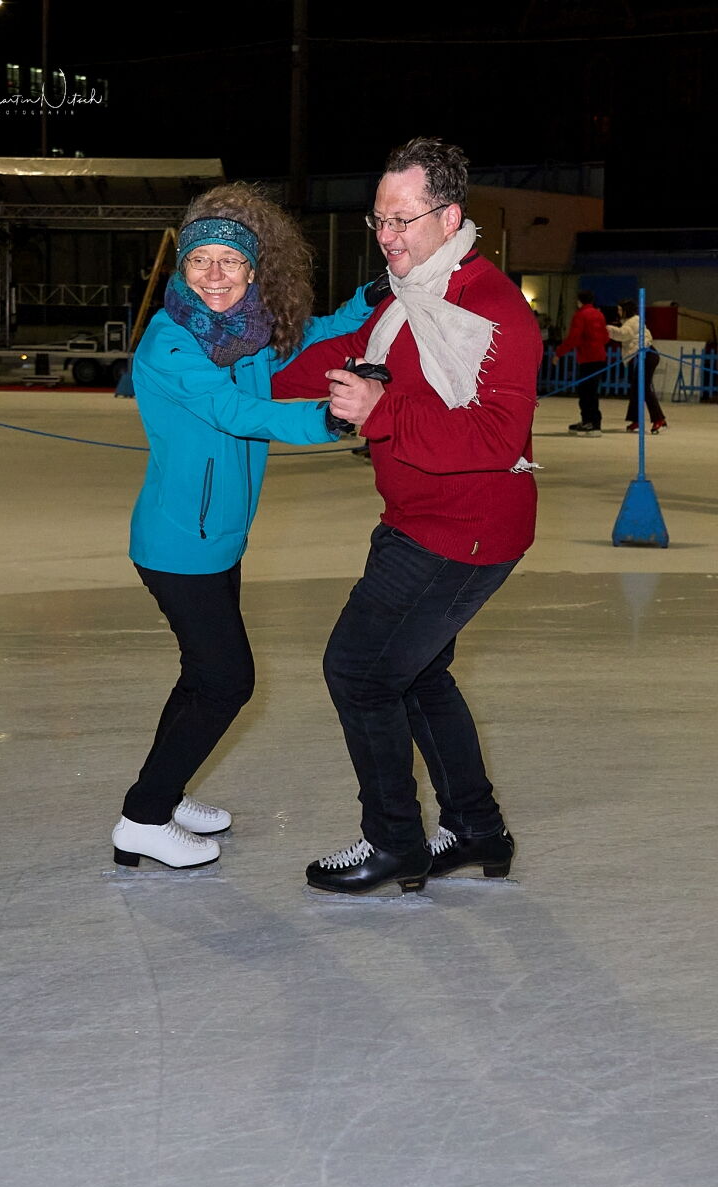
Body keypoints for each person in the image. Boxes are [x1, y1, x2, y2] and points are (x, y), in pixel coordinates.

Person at [272, 136, 543, 895]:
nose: (387, 236)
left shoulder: (494, 310)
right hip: (418, 519)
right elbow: (344, 354)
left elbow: (498, 437)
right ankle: (476, 829)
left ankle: (394, 842)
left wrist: (383, 411)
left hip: (464, 530)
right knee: (418, 674)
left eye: (403, 220)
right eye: (379, 220)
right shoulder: (406, 299)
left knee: (359, 672)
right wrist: (248, 367)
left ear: (449, 216)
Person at [111, 182, 381, 871]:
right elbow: (235, 413)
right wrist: (327, 418)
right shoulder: (172, 344)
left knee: (200, 676)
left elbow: (309, 337)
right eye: (201, 261)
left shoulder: (248, 334)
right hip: (179, 543)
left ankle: (162, 792)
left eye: (231, 261)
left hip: (219, 536)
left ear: (254, 272)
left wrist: (365, 301)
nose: (215, 275)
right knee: (227, 681)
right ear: (181, 268)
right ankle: (142, 820)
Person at [552, 290, 609, 436]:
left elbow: (574, 338)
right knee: (592, 391)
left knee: (585, 392)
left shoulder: (581, 315)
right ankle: (591, 421)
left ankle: (591, 422)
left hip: (587, 358)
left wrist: (559, 353)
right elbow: (605, 336)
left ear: (579, 301)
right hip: (600, 357)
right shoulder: (599, 314)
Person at [607, 298, 667, 433]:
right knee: (636, 388)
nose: (618, 312)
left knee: (644, 388)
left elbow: (623, 334)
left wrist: (607, 329)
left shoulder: (634, 321)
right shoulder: (628, 321)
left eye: (620, 309)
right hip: (642, 356)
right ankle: (636, 420)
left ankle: (659, 419)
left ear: (626, 310)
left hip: (647, 355)